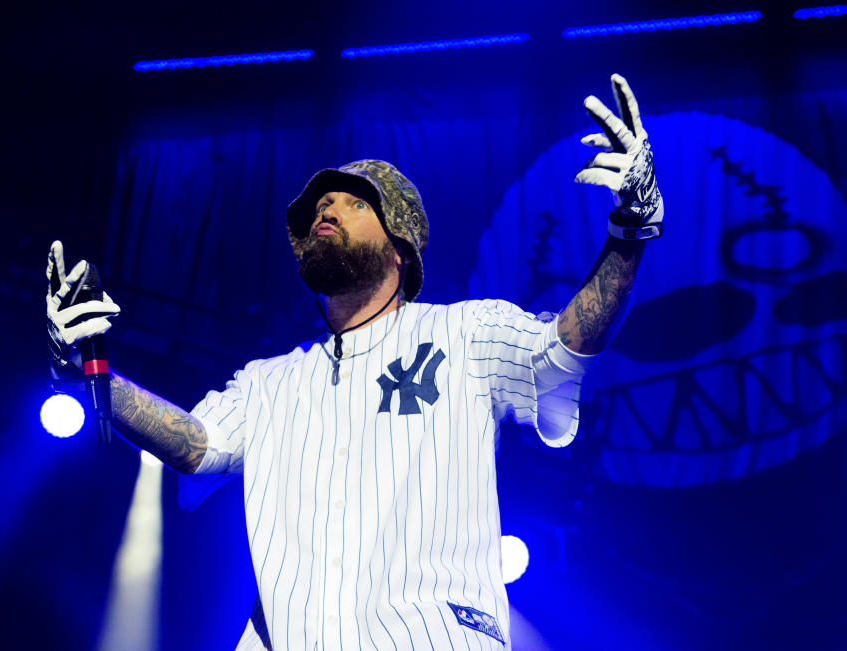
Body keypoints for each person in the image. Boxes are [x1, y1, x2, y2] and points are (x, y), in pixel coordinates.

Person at [46, 74, 664, 649]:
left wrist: (630, 231)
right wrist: (90, 374)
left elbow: (567, 345)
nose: (325, 211)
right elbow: (195, 444)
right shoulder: (269, 383)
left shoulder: (466, 333)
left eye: (351, 203)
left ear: (399, 243)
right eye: (318, 207)